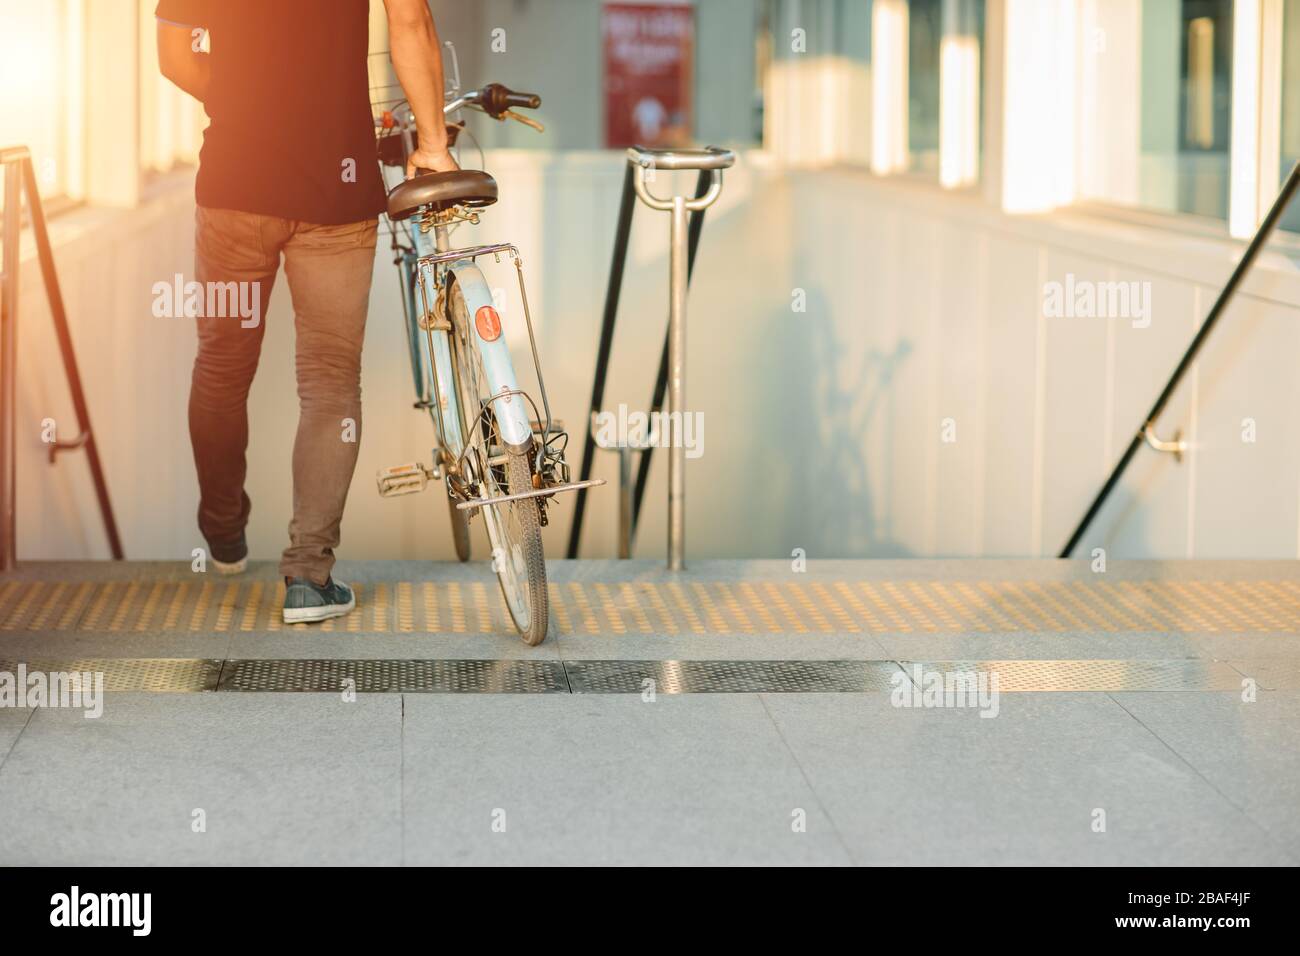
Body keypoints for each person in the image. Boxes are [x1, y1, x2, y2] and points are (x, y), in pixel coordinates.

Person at [155, 0, 458, 623]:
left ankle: (222, 529)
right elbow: (411, 22)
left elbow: (176, 55)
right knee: (329, 384)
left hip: (235, 186)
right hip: (336, 191)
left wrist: (246, 102)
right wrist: (432, 144)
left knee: (221, 368)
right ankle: (309, 578)